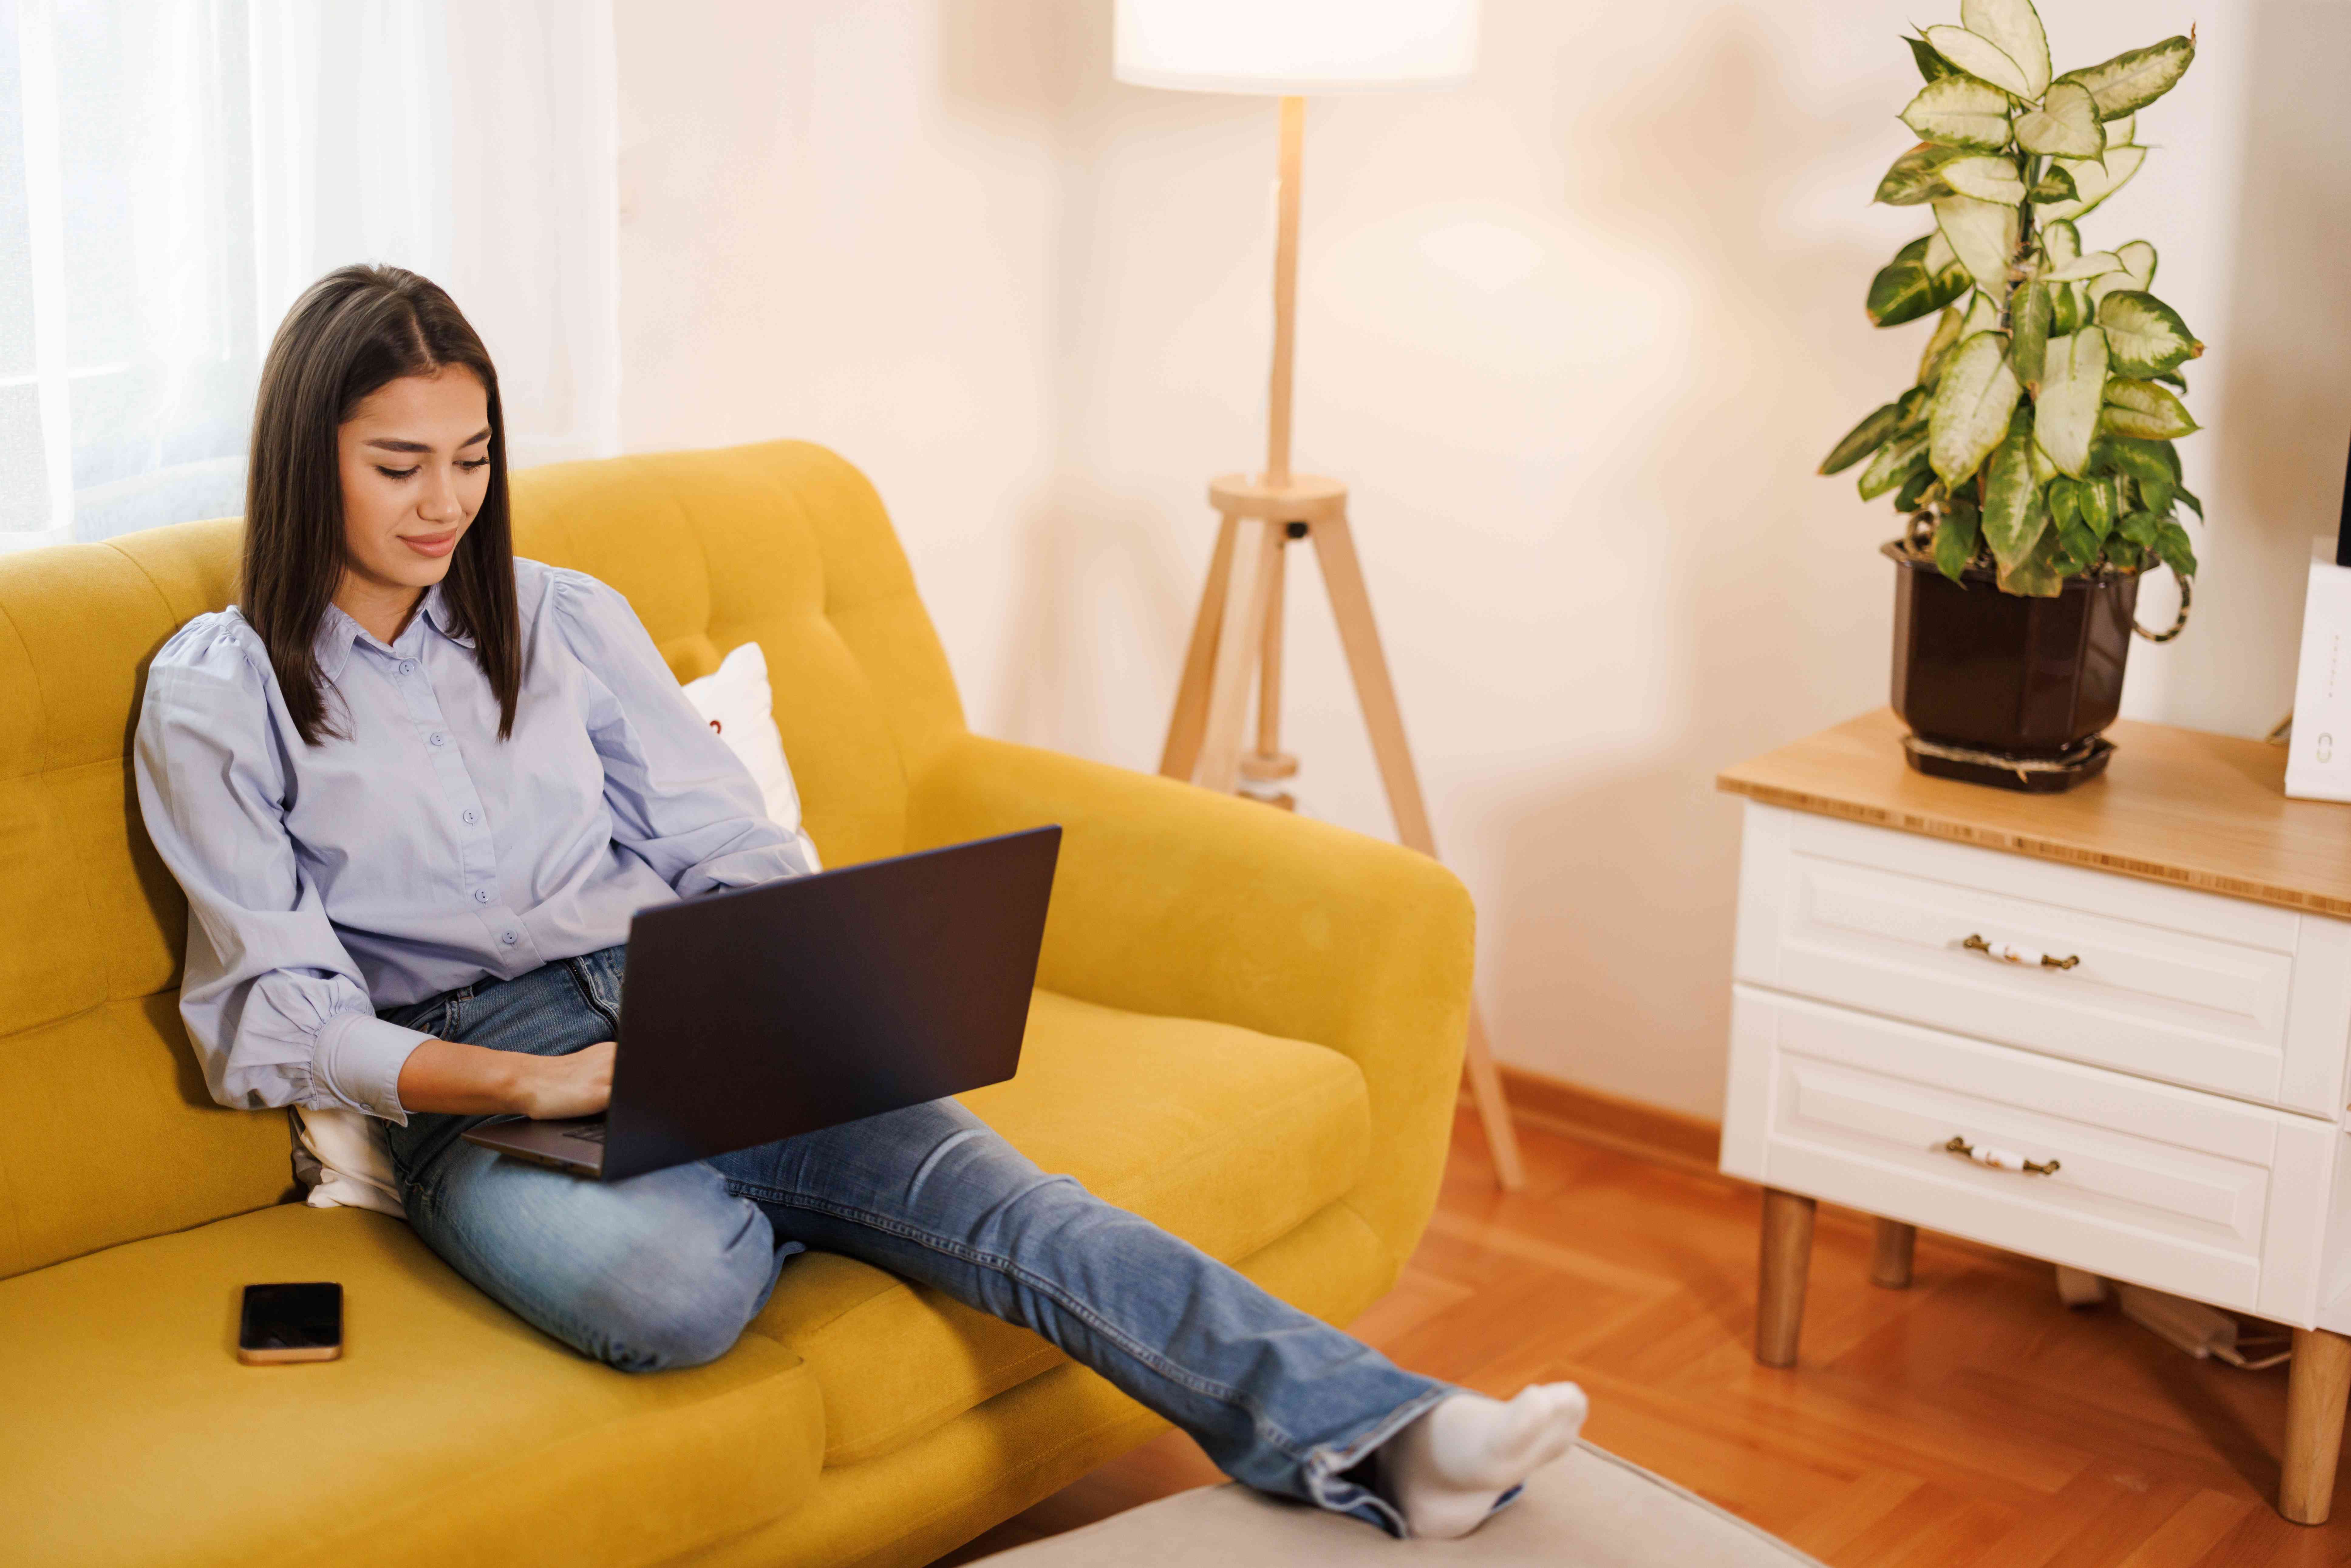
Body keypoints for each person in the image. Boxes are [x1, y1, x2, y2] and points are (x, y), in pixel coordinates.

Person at [132, 264, 1586, 1541]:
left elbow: (723, 839)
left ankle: (1393, 1434)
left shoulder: (563, 615)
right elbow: (274, 1013)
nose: (447, 502)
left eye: (472, 458)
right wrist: (535, 1074)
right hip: (483, 1075)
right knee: (672, 1292)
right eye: (399, 466)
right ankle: (810, 1185)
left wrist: (800, 972)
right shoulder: (222, 692)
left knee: (1027, 1209)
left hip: (699, 991)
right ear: (305, 460)